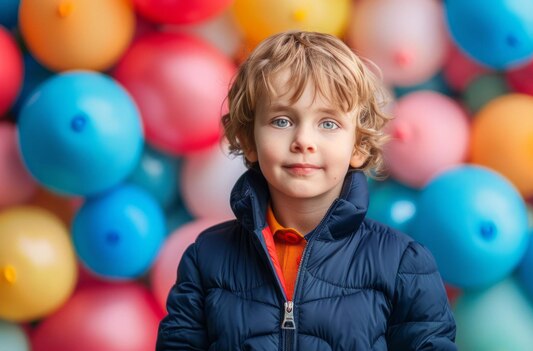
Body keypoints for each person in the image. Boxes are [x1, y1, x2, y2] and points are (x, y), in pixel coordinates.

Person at [156, 31, 456, 350]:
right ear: (248, 138)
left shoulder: (403, 263)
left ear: (357, 146)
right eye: (282, 121)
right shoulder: (207, 257)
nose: (304, 141)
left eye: (328, 124)